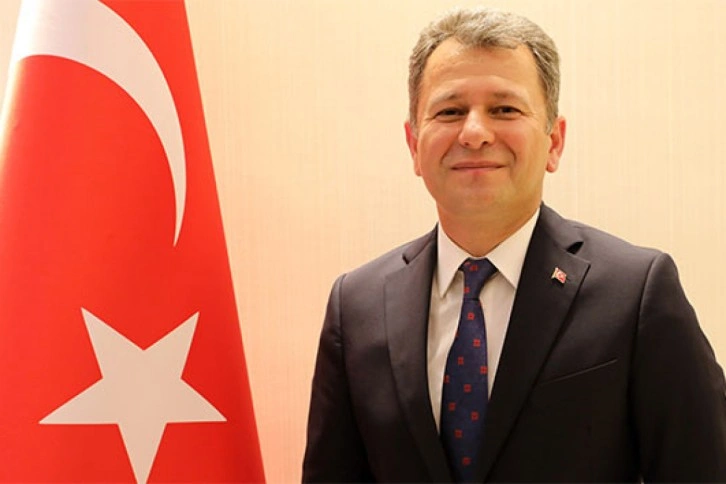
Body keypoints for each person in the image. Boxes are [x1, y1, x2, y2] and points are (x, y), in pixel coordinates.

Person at [302, 6, 726, 483]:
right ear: (413, 145)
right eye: (450, 111)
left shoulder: (636, 293)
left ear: (554, 142)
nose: (474, 133)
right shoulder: (356, 306)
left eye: (504, 109)